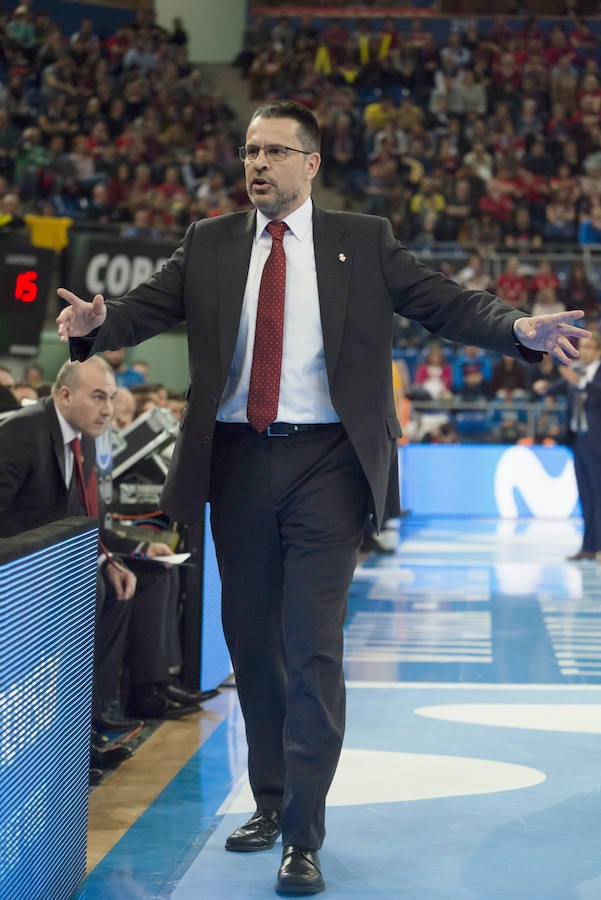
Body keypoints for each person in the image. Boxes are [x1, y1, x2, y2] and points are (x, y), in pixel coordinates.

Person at [56, 99, 588, 897]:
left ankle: (302, 832)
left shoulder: (362, 241)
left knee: (311, 647)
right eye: (247, 152)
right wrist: (95, 327)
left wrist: (516, 327)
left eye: (272, 151)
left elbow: (445, 301)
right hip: (235, 463)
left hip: (328, 467)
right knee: (252, 647)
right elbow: (139, 309)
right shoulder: (208, 242)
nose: (256, 165)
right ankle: (268, 803)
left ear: (310, 163)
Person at [0, 357, 203, 735]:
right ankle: (72, 726)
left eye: (110, 398)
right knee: (90, 588)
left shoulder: (86, 439)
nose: (108, 409)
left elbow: (85, 523)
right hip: (21, 567)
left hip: (62, 560)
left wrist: (112, 559)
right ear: (64, 394)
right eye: (98, 397)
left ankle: (97, 710)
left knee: (119, 581)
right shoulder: (22, 433)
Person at [532, 334, 601, 562]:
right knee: (587, 496)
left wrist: (580, 383)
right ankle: (588, 547)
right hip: (579, 442)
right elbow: (559, 386)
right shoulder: (578, 372)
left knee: (599, 496)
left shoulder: (590, 376)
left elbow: (591, 390)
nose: (584, 352)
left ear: (599, 351)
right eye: (582, 347)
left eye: (589, 347)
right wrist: (545, 387)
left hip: (597, 443)